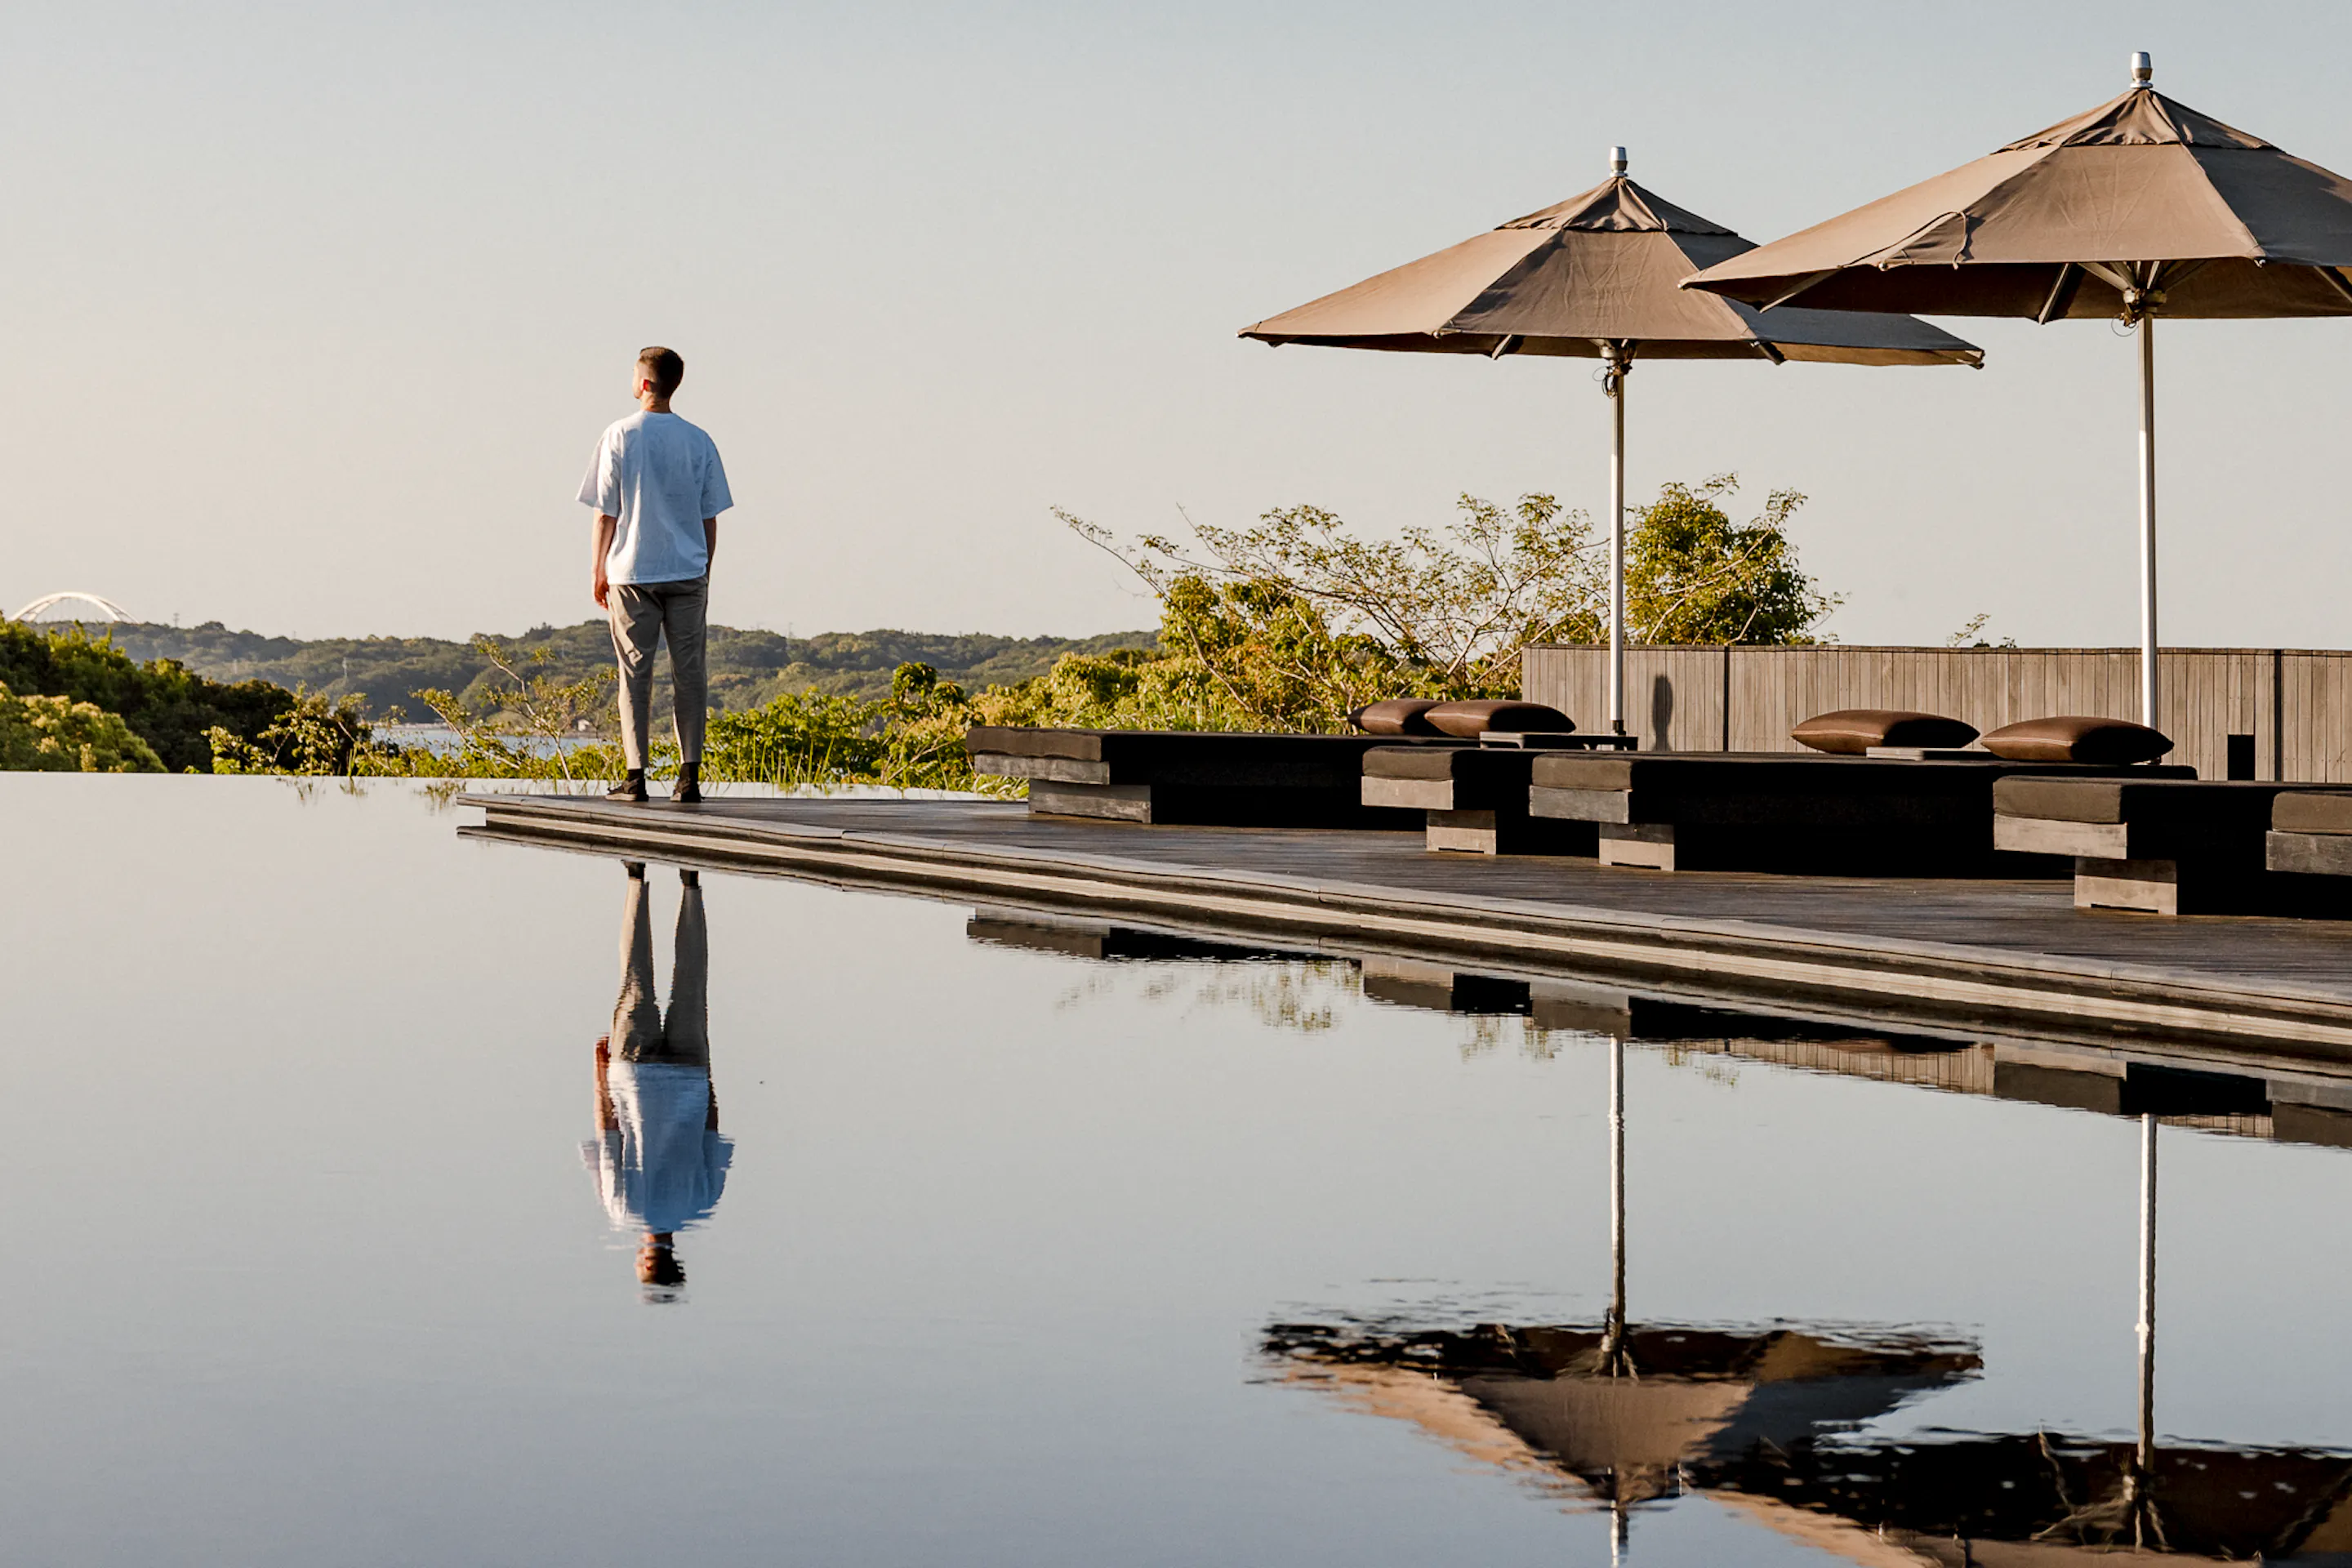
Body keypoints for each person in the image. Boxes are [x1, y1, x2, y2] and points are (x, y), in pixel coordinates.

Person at [577, 346, 733, 804]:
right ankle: (689, 777)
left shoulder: (620, 435)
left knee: (635, 675)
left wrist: (597, 569)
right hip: (687, 570)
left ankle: (635, 776)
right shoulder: (699, 439)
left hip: (631, 569)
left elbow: (606, 513)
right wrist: (705, 568)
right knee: (690, 674)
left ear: (644, 383)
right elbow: (710, 516)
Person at [582, 862, 733, 1300]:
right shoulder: (623, 1209)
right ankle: (636, 878)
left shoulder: (702, 1204)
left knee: (692, 982)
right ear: (647, 1261)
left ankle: (690, 886)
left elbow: (712, 1128)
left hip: (689, 1076)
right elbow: (608, 1134)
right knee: (634, 979)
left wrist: (706, 1075)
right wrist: (600, 1073)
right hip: (633, 1076)